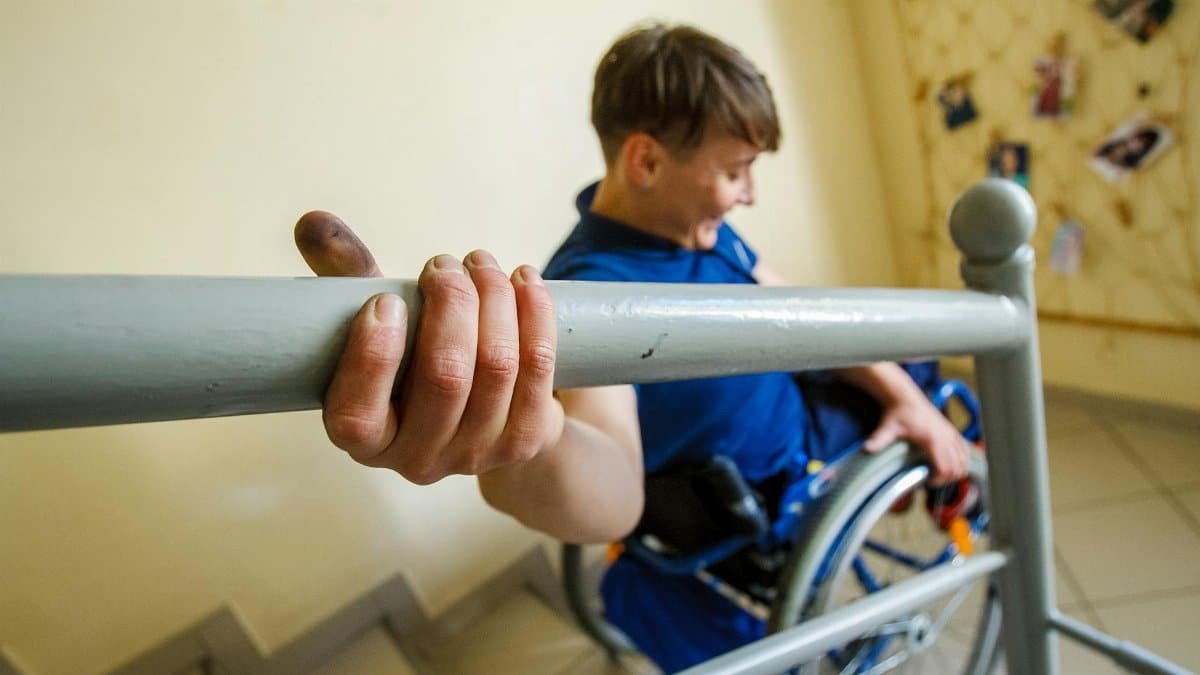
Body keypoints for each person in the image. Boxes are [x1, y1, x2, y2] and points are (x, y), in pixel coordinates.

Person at [294, 23, 970, 672]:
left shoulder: (694, 229)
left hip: (795, 401)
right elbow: (615, 492)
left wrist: (906, 400)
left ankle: (926, 419)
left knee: (899, 360)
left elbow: (802, 313)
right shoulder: (592, 293)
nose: (750, 194)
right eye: (737, 171)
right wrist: (523, 432)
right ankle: (956, 471)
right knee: (936, 370)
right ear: (646, 159)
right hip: (786, 474)